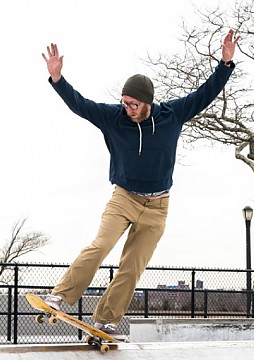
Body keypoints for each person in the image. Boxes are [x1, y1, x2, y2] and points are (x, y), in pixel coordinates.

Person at [40, 30, 240, 339]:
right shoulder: (113, 117)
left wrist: (225, 64)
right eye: (125, 103)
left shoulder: (173, 114)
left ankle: (105, 320)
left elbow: (205, 93)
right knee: (100, 246)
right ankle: (61, 296)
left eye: (133, 104)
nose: (128, 109)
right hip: (123, 198)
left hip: (158, 207)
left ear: (147, 103)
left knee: (132, 267)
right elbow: (81, 105)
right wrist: (57, 80)